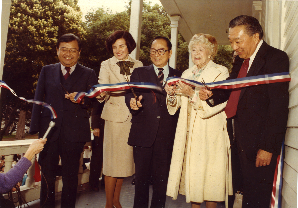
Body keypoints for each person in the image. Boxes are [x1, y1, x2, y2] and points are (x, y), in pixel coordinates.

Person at [199, 15, 289, 208]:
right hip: (237, 140)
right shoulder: (241, 60)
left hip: (259, 146)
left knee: (257, 198)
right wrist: (211, 95)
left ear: (255, 37)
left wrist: (268, 147)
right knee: (240, 195)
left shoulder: (276, 58)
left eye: (237, 41)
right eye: (231, 42)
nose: (233, 47)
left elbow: (278, 107)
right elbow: (231, 89)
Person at [30, 33, 98, 208]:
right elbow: (38, 99)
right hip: (49, 132)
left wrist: (82, 98)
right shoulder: (47, 70)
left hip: (74, 134)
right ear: (57, 51)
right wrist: (35, 129)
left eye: (73, 50)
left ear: (79, 52)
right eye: (64, 49)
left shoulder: (89, 73)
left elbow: (93, 100)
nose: (68, 54)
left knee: (70, 178)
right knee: (47, 176)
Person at [165, 33, 231, 208]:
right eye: (193, 49)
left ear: (211, 52)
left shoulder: (220, 72)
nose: (196, 53)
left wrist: (191, 94)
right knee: (193, 182)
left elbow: (218, 103)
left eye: (201, 49)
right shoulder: (187, 73)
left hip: (210, 132)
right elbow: (176, 105)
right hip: (190, 134)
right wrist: (171, 94)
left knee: (211, 184)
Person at [125, 36, 182, 208]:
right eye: (153, 51)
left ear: (169, 52)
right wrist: (132, 103)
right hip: (142, 136)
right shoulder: (139, 72)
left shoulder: (178, 75)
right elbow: (130, 94)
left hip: (166, 137)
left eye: (161, 50)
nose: (156, 54)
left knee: (161, 183)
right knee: (140, 182)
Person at [96, 30, 143, 208]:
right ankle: (108, 204)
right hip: (114, 118)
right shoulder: (106, 64)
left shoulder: (138, 64)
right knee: (111, 164)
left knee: (123, 164)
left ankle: (116, 200)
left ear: (129, 46)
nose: (118, 50)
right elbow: (103, 89)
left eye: (121, 46)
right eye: (114, 47)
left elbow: (140, 90)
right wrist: (100, 94)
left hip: (133, 119)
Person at [89, 100, 105, 192]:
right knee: (97, 155)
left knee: (108, 156)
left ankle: (105, 181)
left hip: (110, 125)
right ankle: (93, 183)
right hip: (99, 126)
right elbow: (95, 109)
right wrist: (95, 126)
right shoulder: (101, 89)